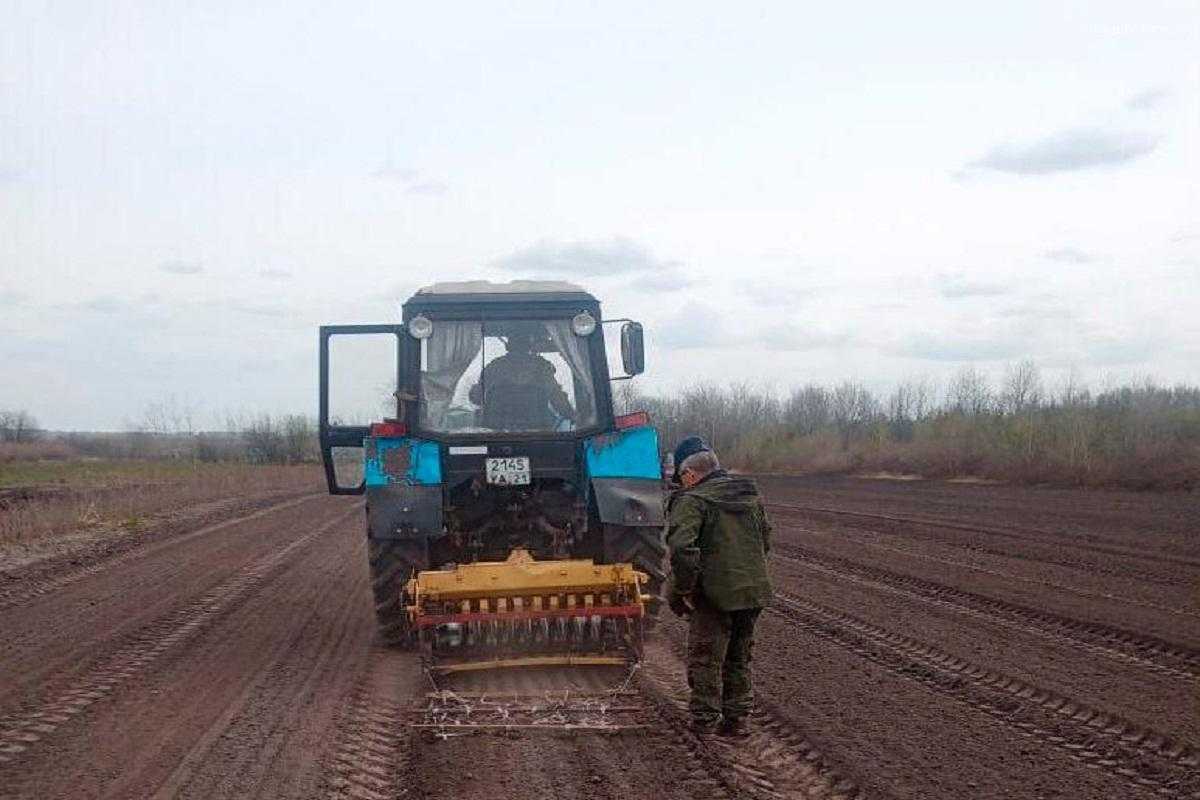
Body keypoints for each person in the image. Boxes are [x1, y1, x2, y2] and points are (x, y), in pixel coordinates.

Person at [666, 435, 773, 737]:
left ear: (689, 474)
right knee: (739, 657)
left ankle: (704, 721)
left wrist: (685, 589)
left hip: (714, 594)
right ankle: (737, 720)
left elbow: (682, 549)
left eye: (682, 478)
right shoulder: (749, 495)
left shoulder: (693, 500)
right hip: (752, 591)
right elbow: (765, 541)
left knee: (706, 657)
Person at [468, 327, 576, 429]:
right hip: (538, 433)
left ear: (509, 345)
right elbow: (557, 398)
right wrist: (573, 415)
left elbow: (477, 398)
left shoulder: (493, 367)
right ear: (529, 344)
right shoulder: (541, 367)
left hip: (497, 433)